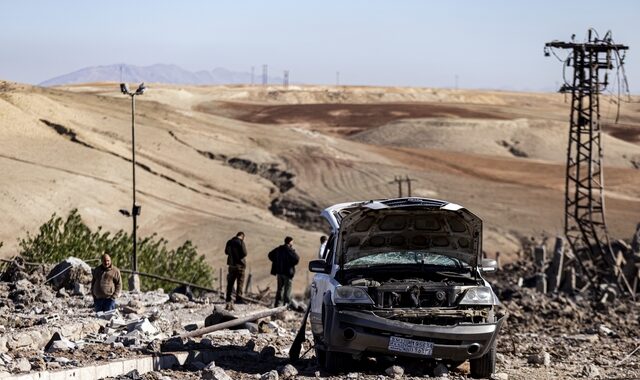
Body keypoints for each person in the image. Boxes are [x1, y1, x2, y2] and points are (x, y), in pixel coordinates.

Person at [268, 236, 300, 307]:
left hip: (279, 272)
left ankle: (277, 305)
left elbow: (270, 255)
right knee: (287, 289)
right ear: (290, 242)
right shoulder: (289, 250)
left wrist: (277, 262)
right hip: (288, 273)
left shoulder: (279, 249)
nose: (293, 243)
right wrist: (290, 264)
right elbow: (297, 258)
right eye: (292, 241)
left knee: (280, 289)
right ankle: (286, 305)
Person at [225, 231, 247, 310]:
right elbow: (245, 253)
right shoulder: (240, 242)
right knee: (240, 282)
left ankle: (228, 298)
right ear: (242, 236)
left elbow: (226, 252)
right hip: (240, 265)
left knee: (230, 282)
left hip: (231, 265)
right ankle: (239, 298)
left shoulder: (229, 242)